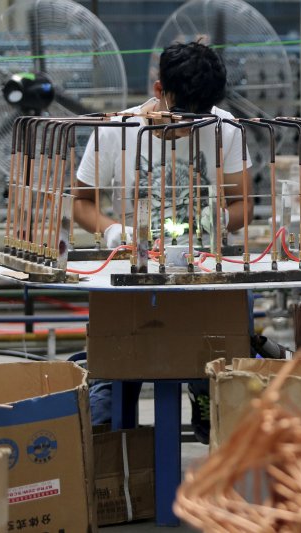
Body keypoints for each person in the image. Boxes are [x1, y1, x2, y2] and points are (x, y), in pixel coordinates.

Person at [73, 41, 252, 444]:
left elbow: (245, 207)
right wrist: (114, 231)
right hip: (131, 280)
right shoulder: (117, 129)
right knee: (111, 392)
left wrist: (219, 219)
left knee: (225, 390)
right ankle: (116, 461)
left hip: (203, 277)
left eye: (199, 117)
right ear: (159, 90)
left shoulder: (225, 127)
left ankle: (205, 404)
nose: (190, 127)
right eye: (182, 114)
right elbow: (81, 203)